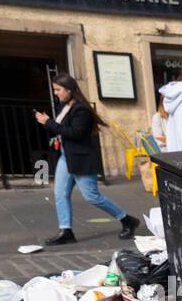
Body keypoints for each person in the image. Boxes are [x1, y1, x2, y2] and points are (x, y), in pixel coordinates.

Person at [34, 74, 140, 246]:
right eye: (55, 90)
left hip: (81, 158)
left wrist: (49, 123)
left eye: (58, 89)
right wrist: (46, 123)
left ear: (69, 89)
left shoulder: (81, 109)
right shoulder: (64, 106)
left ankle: (127, 219)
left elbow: (76, 133)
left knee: (92, 196)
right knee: (60, 193)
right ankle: (66, 230)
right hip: (65, 156)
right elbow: (60, 130)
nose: (56, 93)